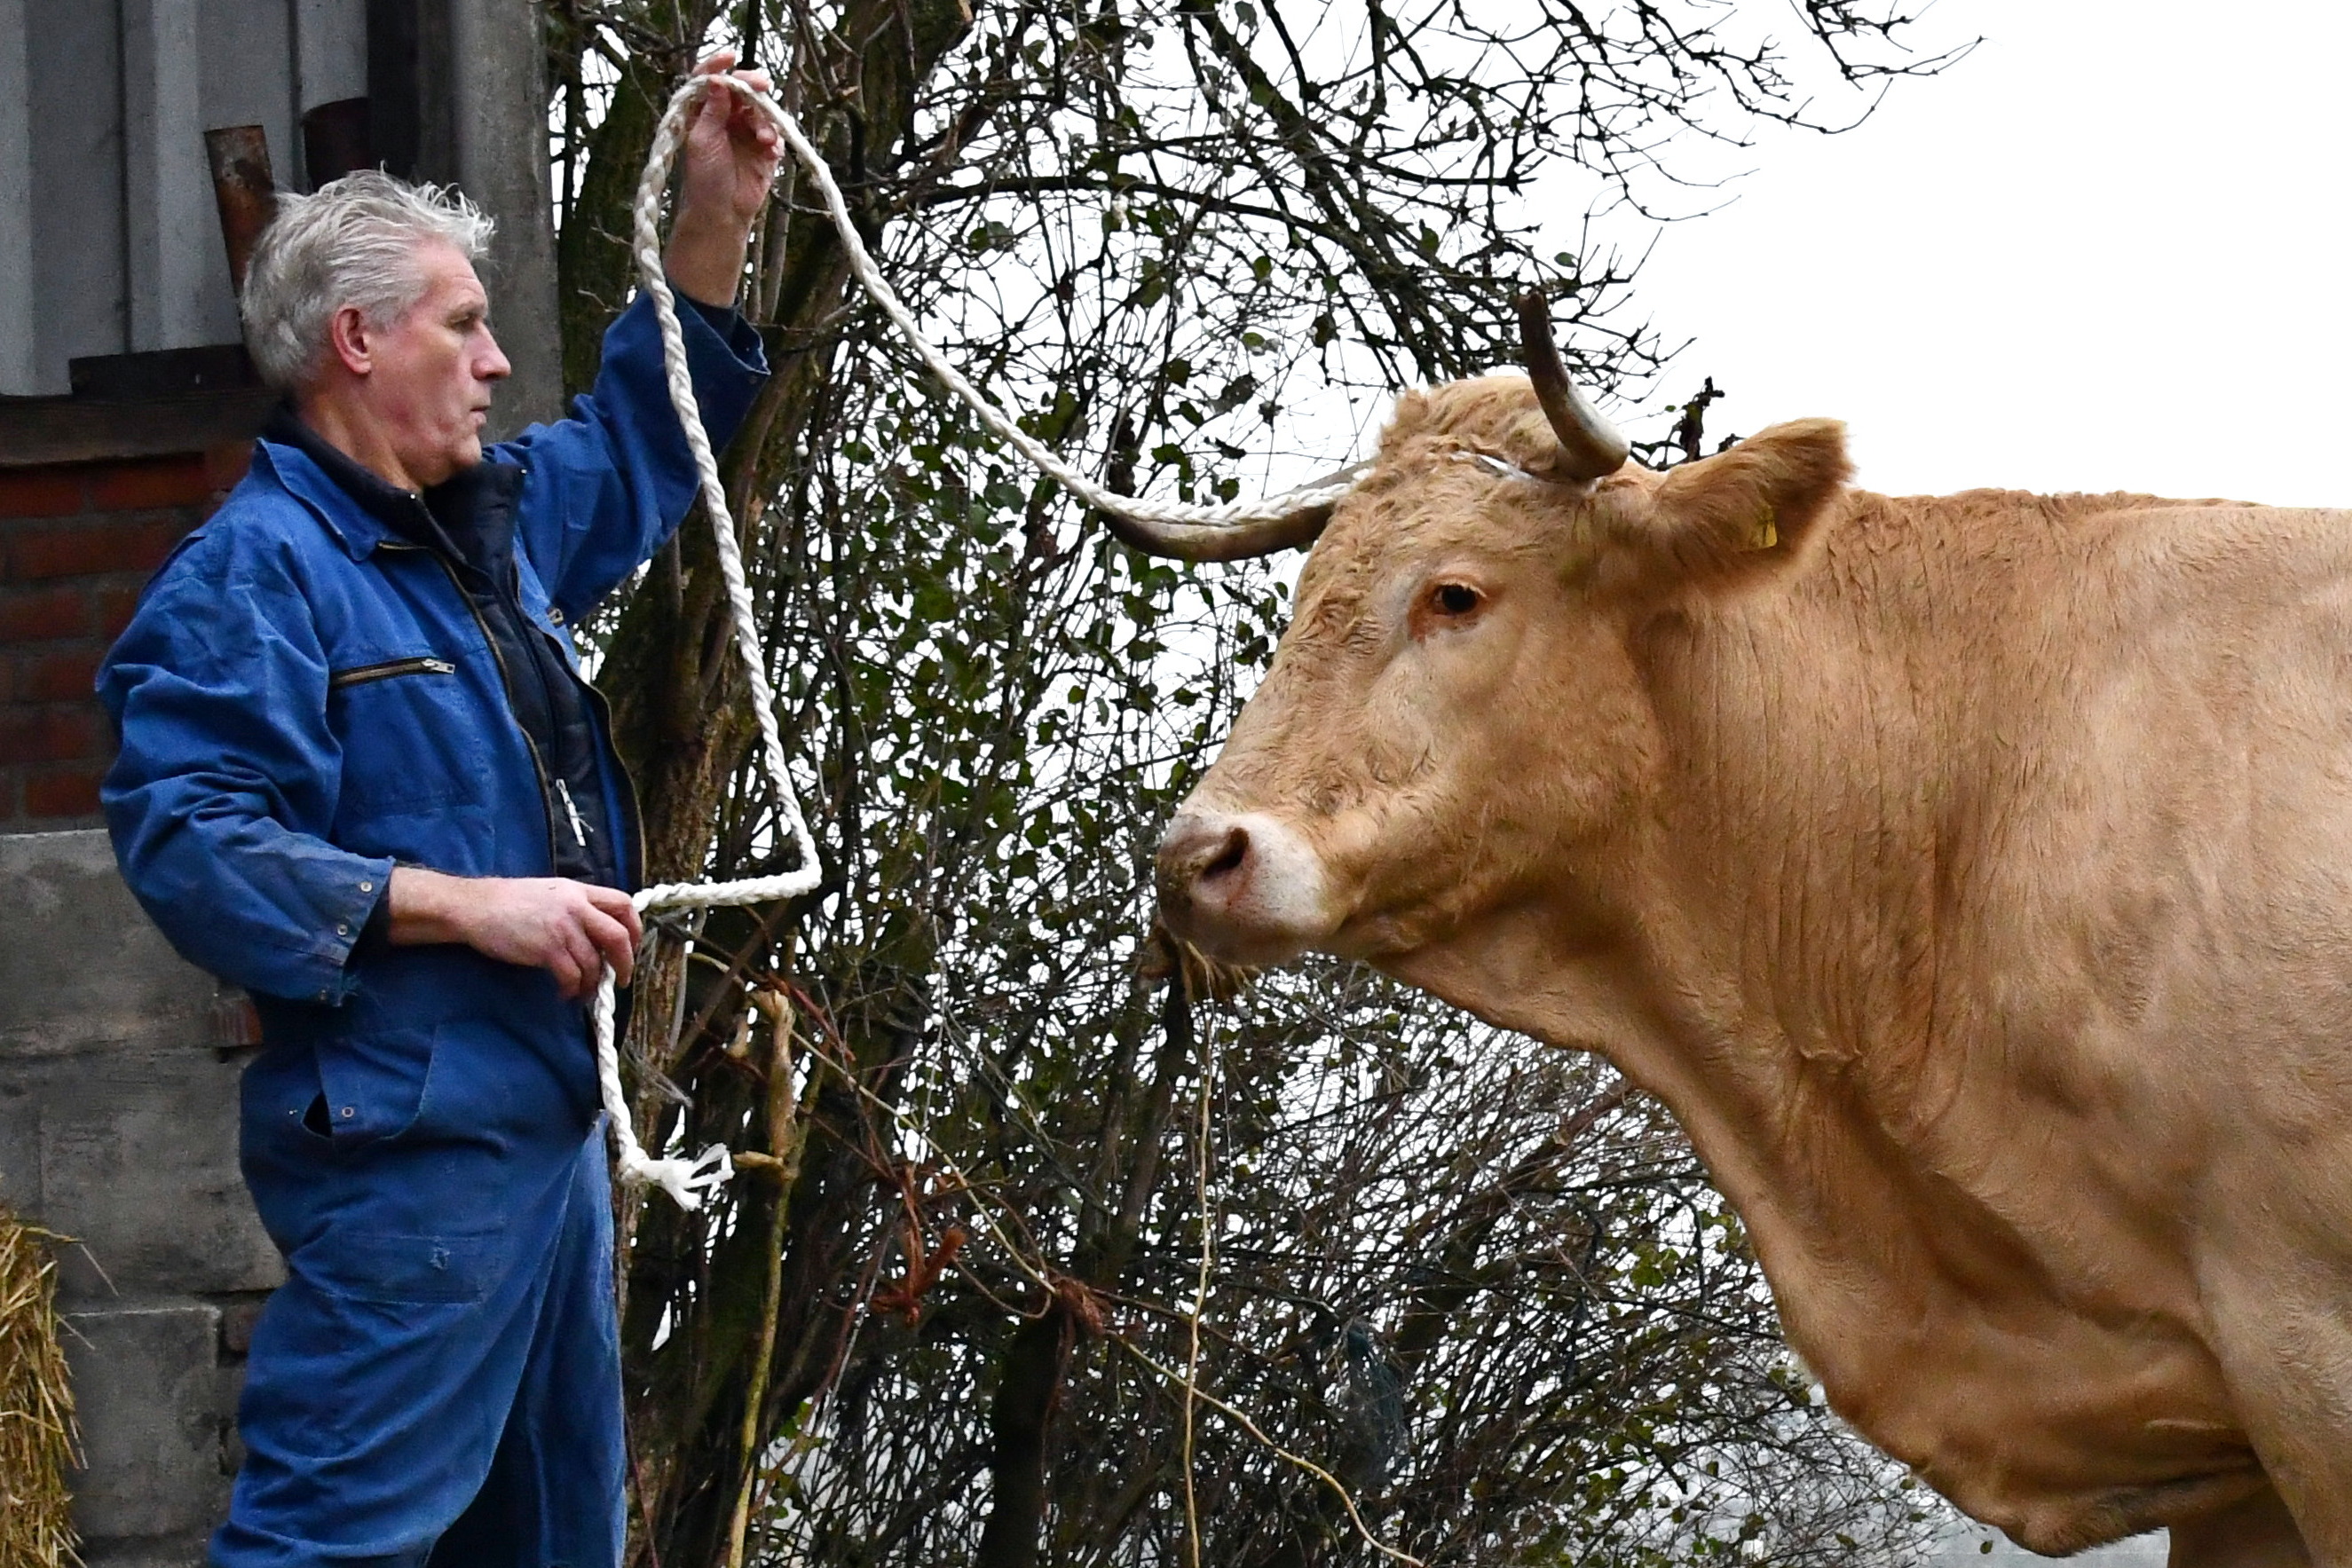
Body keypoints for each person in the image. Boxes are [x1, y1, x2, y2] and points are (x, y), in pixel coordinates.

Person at [98, 51, 778, 1568]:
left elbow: (645, 436)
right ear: (357, 341)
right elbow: (189, 838)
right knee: (332, 1545)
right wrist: (470, 904)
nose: (491, 364)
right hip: (412, 1145)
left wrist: (713, 222)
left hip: (542, 1142)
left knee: (550, 1550)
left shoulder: (488, 532)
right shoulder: (254, 578)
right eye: (463, 327)